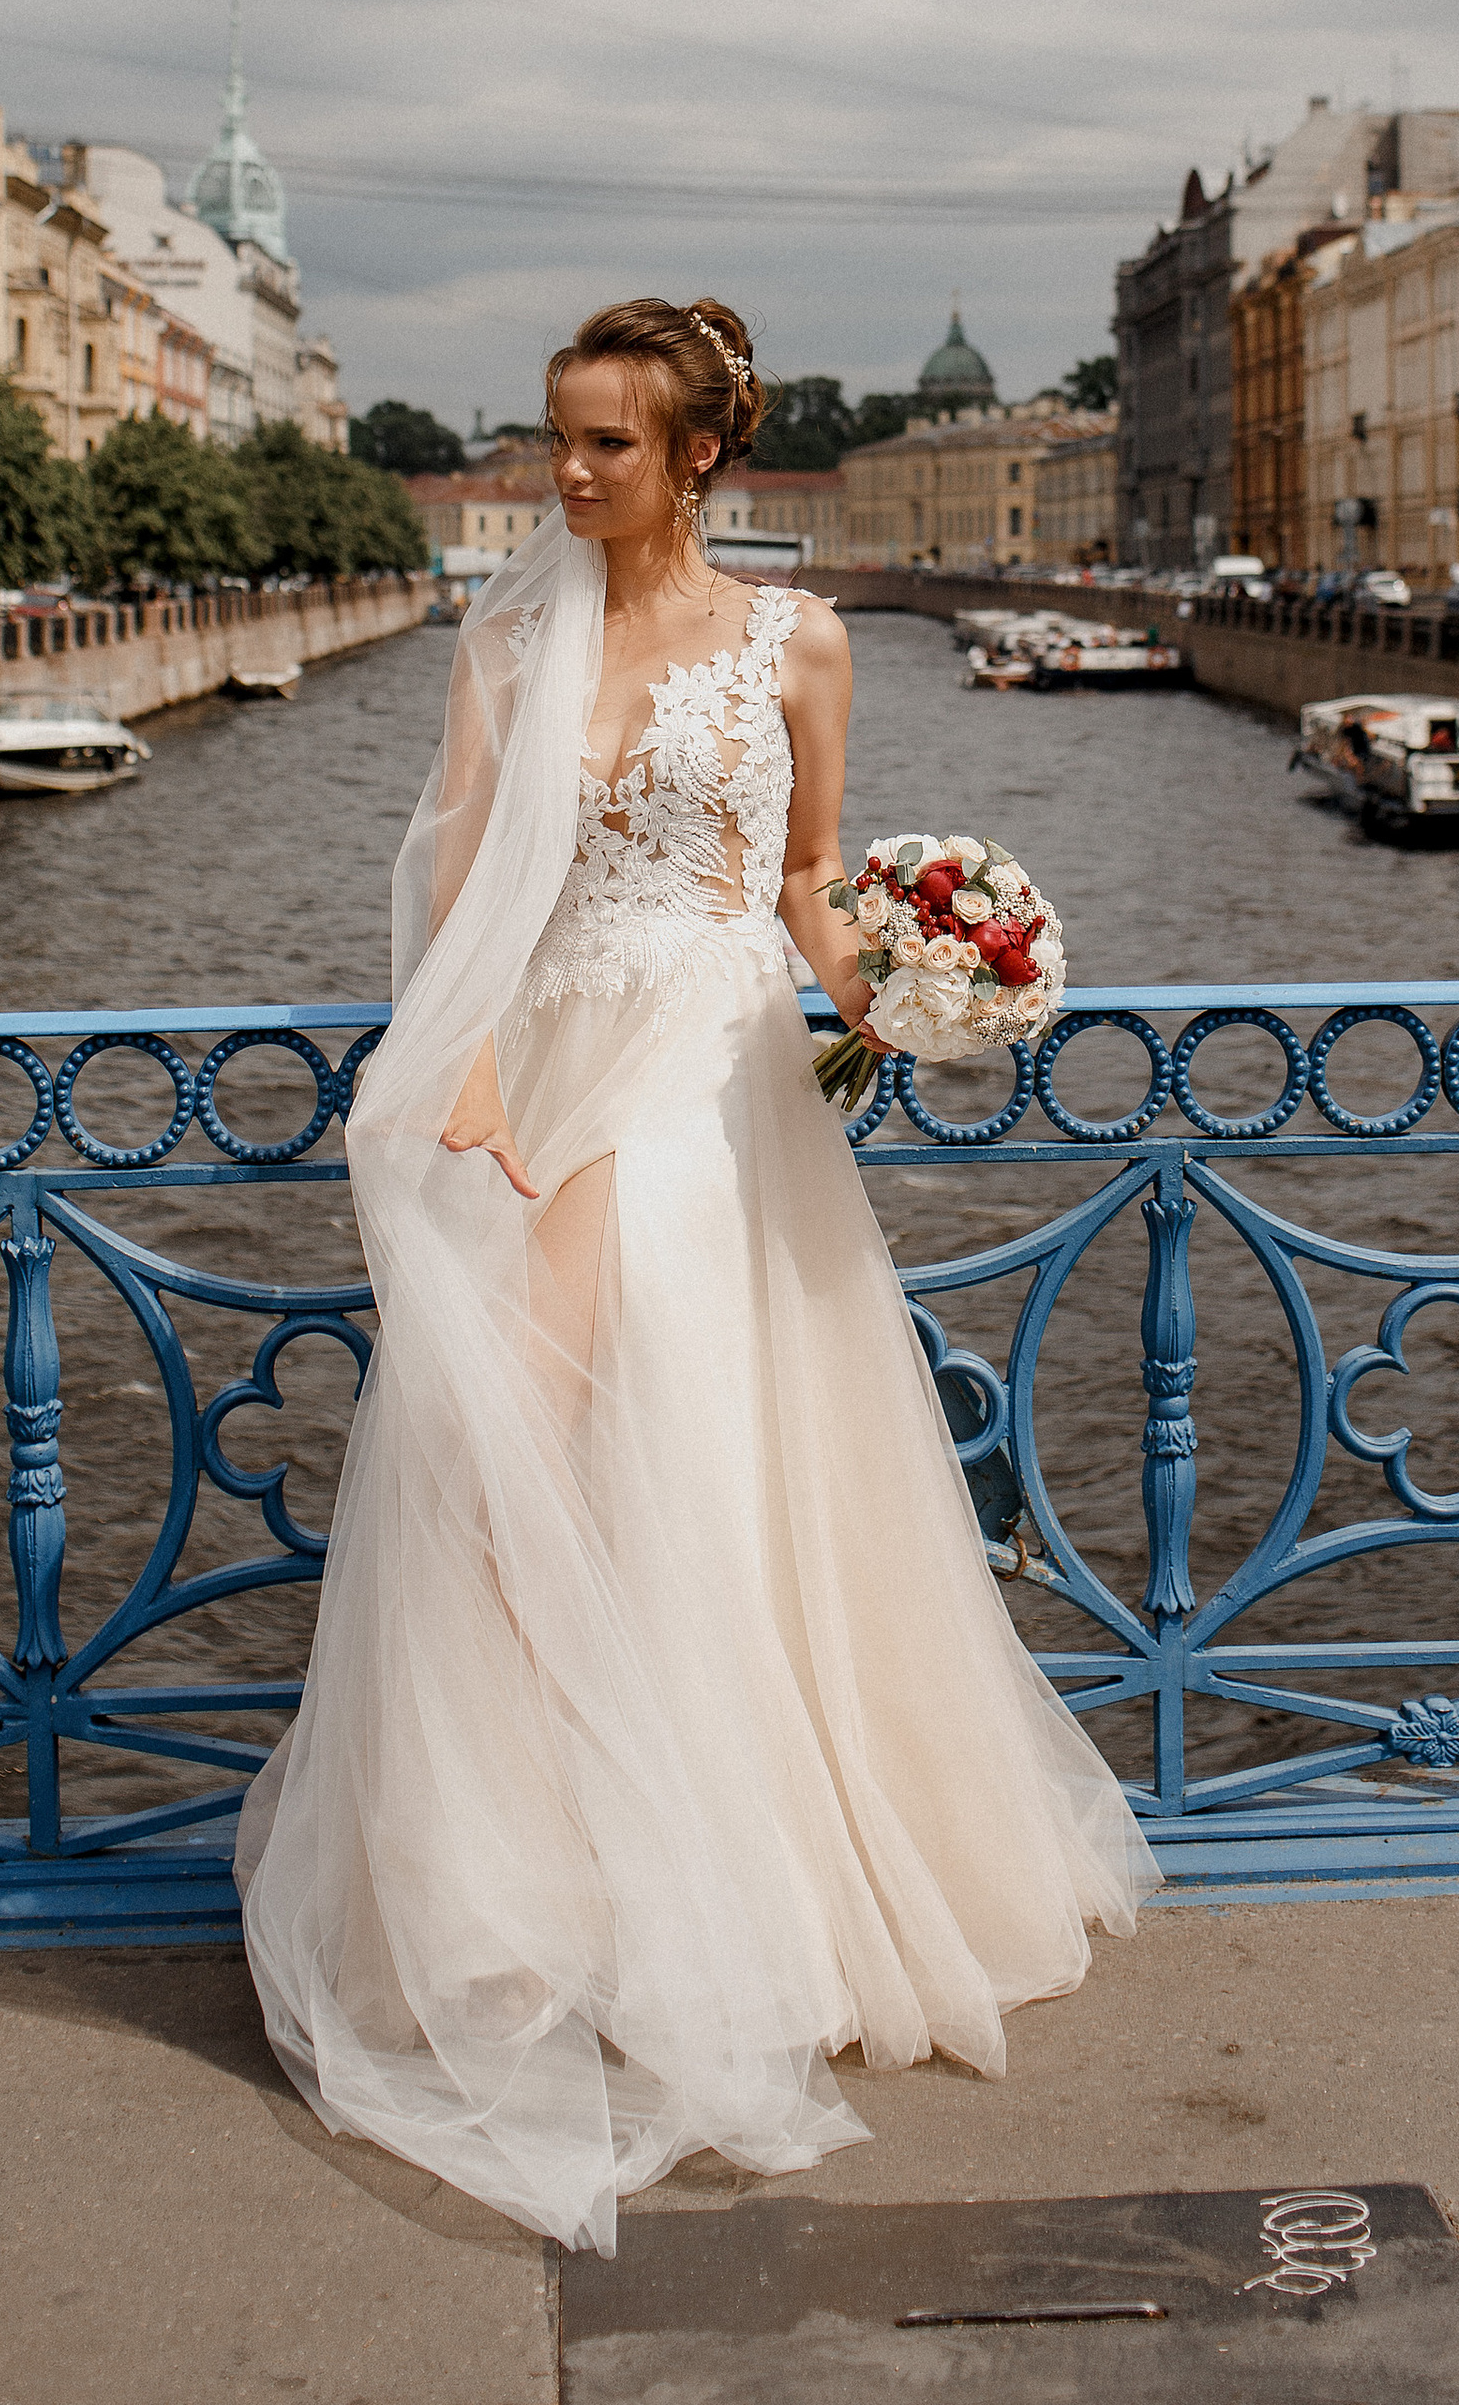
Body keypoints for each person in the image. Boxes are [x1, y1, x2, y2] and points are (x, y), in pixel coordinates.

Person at [237, 295, 1156, 2254]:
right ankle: (545, 1889)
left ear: (699, 458)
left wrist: (911, 993)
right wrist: (464, 1066)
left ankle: (743, 1901)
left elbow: (806, 874)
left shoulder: (797, 642)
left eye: (604, 448)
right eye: (551, 438)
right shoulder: (505, 639)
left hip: (722, 1082)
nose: (562, 476)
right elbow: (463, 879)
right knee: (540, 1457)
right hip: (552, 1061)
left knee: (686, 1429)